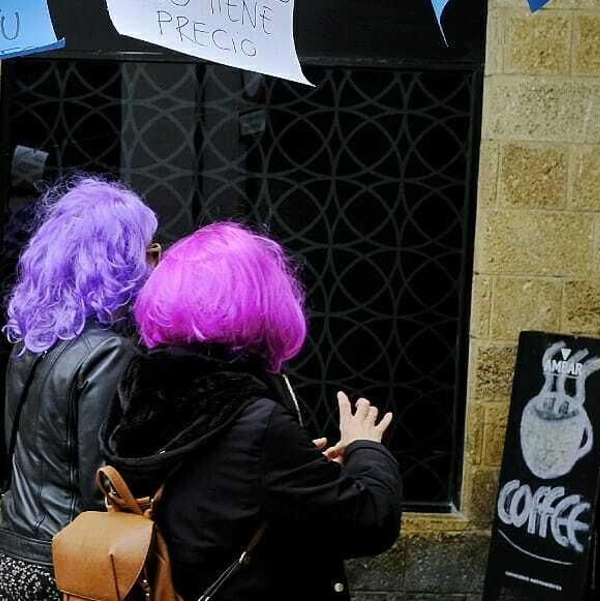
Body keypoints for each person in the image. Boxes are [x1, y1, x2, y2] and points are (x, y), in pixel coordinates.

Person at [100, 222, 402, 601]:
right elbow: (372, 521)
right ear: (265, 302)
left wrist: (303, 467)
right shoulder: (258, 423)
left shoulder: (139, 392)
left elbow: (217, 492)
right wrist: (366, 447)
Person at [0, 176, 159, 601]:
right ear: (120, 261)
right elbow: (99, 483)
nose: (158, 261)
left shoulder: (34, 343)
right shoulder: (109, 353)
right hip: (63, 568)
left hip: (10, 558)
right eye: (150, 250)